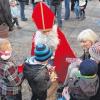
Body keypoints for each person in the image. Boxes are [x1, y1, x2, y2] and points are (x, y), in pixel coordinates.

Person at [31, 2, 76, 83]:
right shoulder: (37, 35)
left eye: (48, 30)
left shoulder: (58, 34)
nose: (46, 33)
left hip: (54, 59)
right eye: (43, 32)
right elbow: (34, 51)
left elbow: (65, 50)